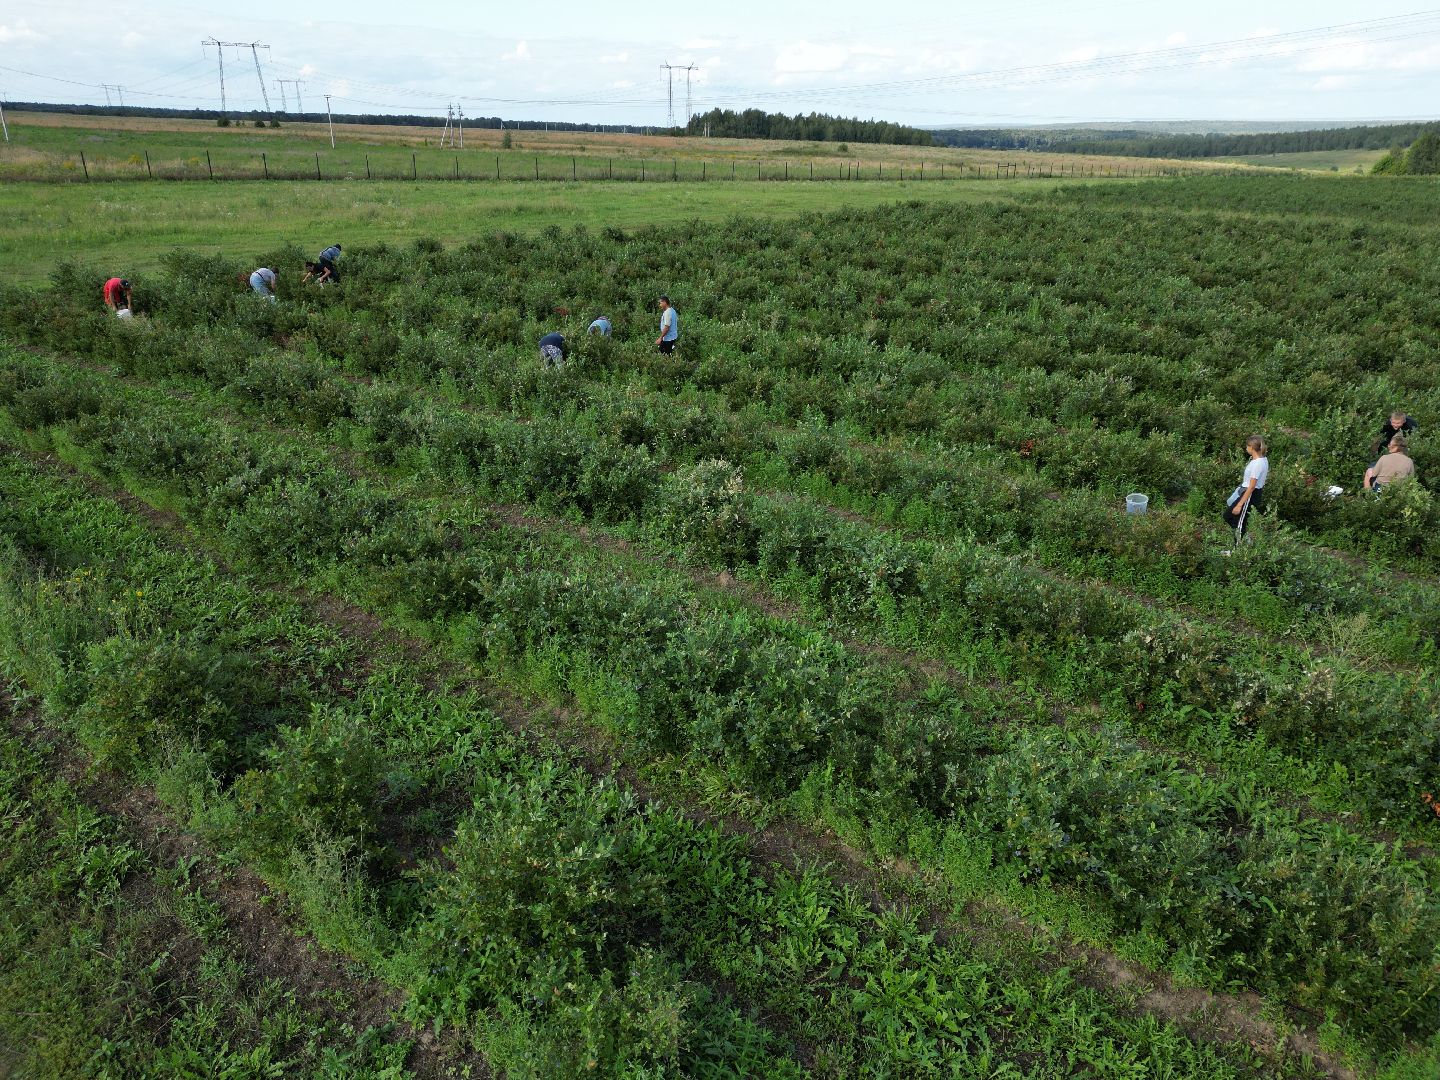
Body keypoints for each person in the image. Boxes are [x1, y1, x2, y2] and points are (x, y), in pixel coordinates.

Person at [1223, 435, 1268, 541]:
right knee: (1228, 516)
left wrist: (1239, 505)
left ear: (1251, 447)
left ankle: (1238, 550)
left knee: (1239, 523)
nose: (1246, 448)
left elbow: (1252, 486)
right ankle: (1245, 540)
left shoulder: (1258, 464)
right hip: (1245, 492)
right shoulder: (1260, 460)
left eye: (1247, 446)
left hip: (1250, 495)